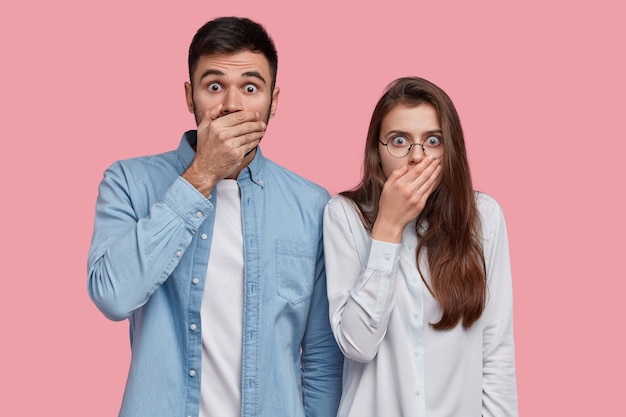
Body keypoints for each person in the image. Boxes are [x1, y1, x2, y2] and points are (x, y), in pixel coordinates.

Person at [87, 16, 342, 417]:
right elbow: (112, 295)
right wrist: (201, 174)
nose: (231, 105)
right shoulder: (128, 182)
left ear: (274, 101)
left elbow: (322, 359)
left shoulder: (312, 206)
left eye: (251, 88)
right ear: (190, 97)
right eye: (214, 86)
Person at [323, 76, 518, 416]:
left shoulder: (484, 218)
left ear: (450, 148)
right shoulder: (344, 215)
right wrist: (388, 228)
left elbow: (496, 350)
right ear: (377, 151)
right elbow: (357, 345)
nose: (416, 157)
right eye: (399, 140)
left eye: (432, 140)